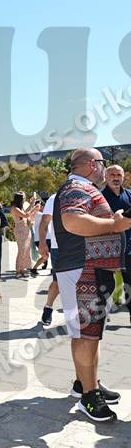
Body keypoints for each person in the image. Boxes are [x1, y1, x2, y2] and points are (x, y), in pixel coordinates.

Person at [53, 148, 131, 423]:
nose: (104, 168)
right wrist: (114, 224)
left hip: (89, 268)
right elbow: (73, 221)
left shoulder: (81, 187)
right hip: (83, 269)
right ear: (90, 164)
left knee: (89, 333)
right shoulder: (76, 187)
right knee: (86, 334)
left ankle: (86, 383)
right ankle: (89, 396)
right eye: (102, 163)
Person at [102, 164, 131, 323]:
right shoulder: (99, 197)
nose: (116, 178)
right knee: (106, 284)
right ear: (105, 177)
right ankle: (102, 312)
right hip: (105, 248)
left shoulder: (129, 195)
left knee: (129, 283)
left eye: (119, 175)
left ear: (123, 177)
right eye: (112, 175)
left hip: (128, 248)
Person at [38, 193, 59, 325]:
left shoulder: (86, 194)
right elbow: (44, 223)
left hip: (82, 247)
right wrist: (42, 244)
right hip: (59, 247)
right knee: (58, 282)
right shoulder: (54, 198)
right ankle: (48, 308)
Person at [10, 191, 33, 277]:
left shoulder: (20, 207)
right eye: (23, 198)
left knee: (26, 250)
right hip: (20, 230)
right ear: (19, 199)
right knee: (21, 250)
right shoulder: (14, 208)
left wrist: (32, 204)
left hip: (26, 230)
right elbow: (25, 215)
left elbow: (25, 212)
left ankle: (22, 269)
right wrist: (33, 208)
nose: (24, 200)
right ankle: (18, 270)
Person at [30, 200, 49, 276]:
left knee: (46, 256)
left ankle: (34, 269)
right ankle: (34, 268)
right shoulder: (38, 214)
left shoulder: (40, 214)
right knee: (45, 256)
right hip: (40, 239)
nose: (42, 207)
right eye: (40, 205)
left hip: (45, 238)